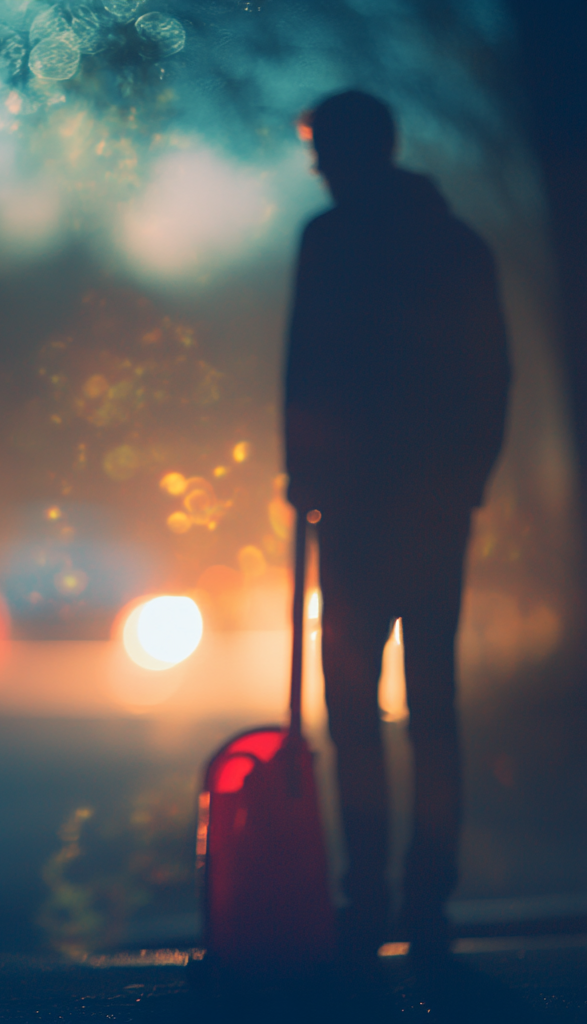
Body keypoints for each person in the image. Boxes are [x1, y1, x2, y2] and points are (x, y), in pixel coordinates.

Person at [284, 91, 510, 973]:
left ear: (350, 152)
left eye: (323, 151)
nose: (318, 168)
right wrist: (465, 483)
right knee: (430, 709)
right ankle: (423, 897)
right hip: (423, 510)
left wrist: (303, 478)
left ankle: (369, 896)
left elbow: (305, 368)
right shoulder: (455, 244)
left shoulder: (330, 242)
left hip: (357, 512)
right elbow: (492, 376)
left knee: (355, 713)